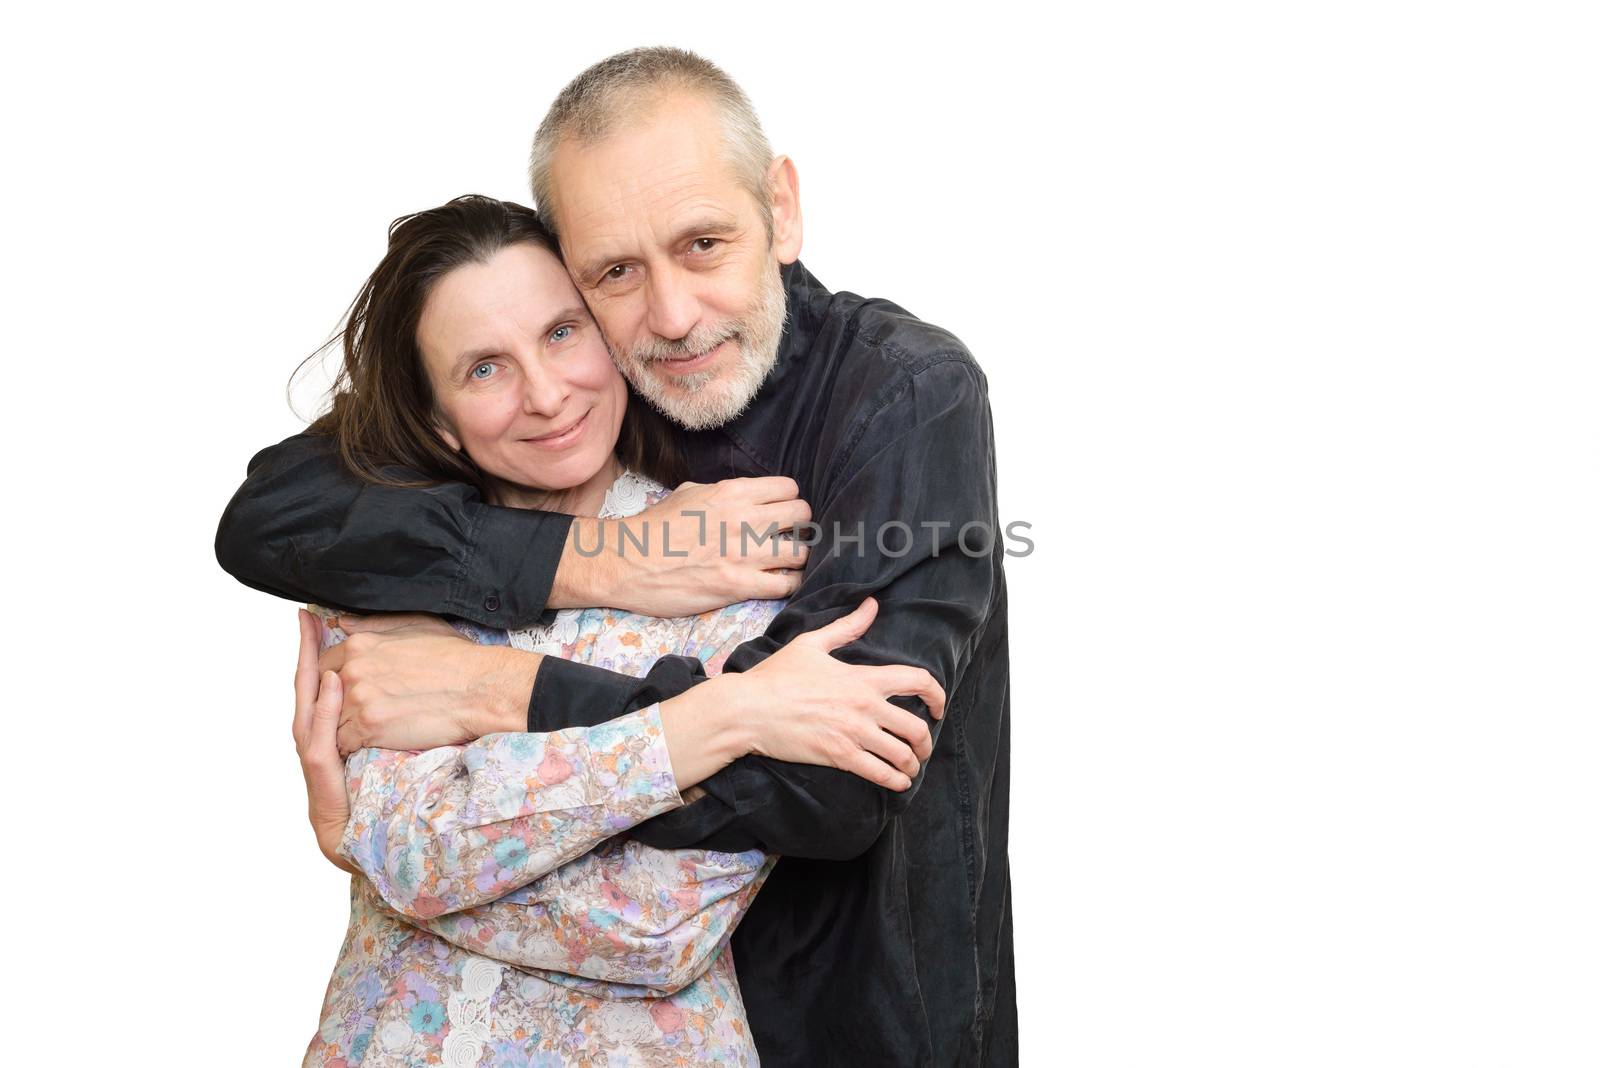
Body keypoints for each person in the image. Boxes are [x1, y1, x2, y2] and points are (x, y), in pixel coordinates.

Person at [219, 46, 1014, 1066]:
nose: (672, 317)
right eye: (615, 273)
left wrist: (491, 693)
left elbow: (834, 785)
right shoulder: (575, 392)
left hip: (856, 1015)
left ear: (782, 207)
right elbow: (269, 516)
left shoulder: (904, 398)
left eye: (704, 243)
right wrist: (597, 560)